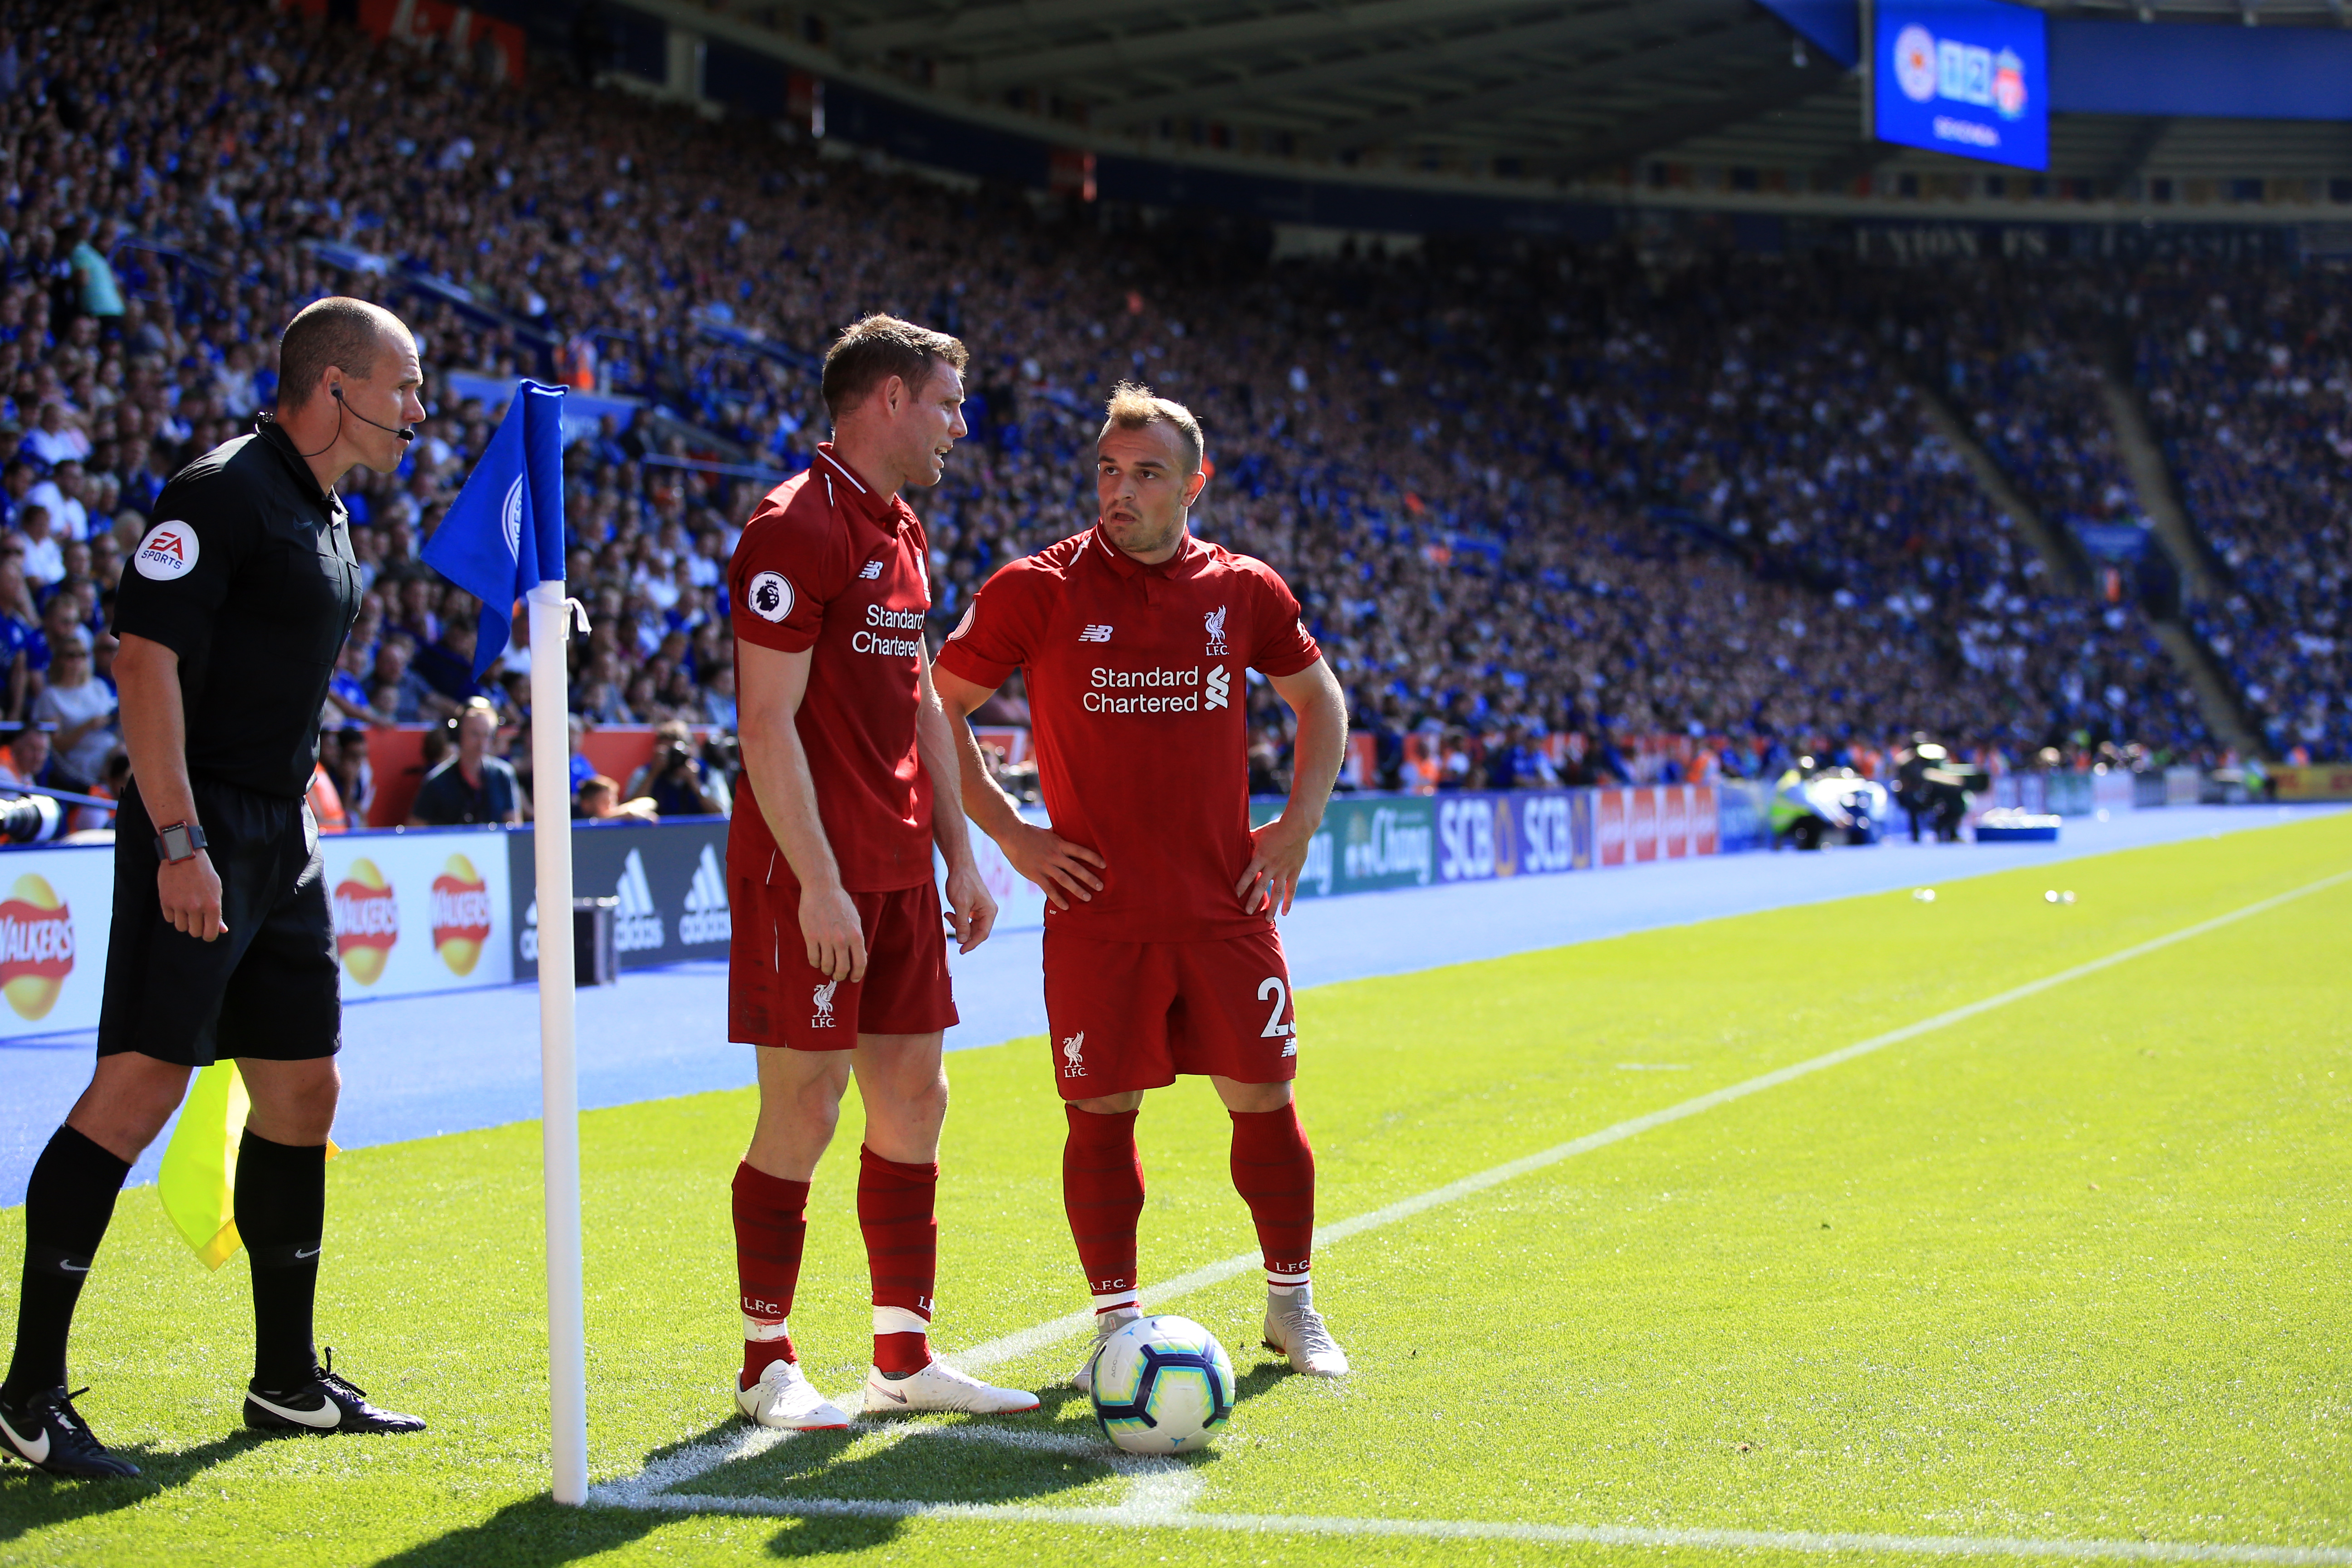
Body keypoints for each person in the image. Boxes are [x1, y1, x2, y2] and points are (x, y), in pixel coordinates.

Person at [0, 297, 429, 1480]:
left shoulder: (327, 510)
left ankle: (285, 1385)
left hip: (279, 835)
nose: (418, 411)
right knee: (136, 1092)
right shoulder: (217, 491)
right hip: (197, 831)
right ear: (336, 387)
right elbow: (143, 666)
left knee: (304, 1093)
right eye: (406, 387)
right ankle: (27, 1400)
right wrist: (180, 839)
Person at [933, 382, 1353, 1387]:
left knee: (1265, 1101)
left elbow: (1320, 699)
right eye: (1107, 472)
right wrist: (1013, 835)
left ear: (1193, 485)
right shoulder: (1038, 587)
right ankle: (1114, 1327)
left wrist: (1296, 828)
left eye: (1146, 474)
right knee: (1101, 1117)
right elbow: (935, 704)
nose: (1119, 492)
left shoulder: (1243, 589)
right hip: (1098, 916)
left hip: (1225, 908)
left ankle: (1292, 1308)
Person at [724, 313, 1028, 1431]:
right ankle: (767, 1360)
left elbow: (922, 705)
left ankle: (902, 1353)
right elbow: (765, 725)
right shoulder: (792, 526)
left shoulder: (900, 530)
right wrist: (815, 879)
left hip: (899, 871)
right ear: (888, 399)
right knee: (804, 1105)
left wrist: (962, 854)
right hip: (808, 874)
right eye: (947, 403)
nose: (959, 426)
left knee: (914, 1096)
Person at [406, 701, 520, 826]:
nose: (482, 743)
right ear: (460, 735)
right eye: (475, 734)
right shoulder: (436, 782)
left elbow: (513, 828)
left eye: (486, 735)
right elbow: (415, 830)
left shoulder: (503, 775)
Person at [29, 629, 116, 789]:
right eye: (71, 656)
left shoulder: (99, 686)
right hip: (77, 760)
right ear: (59, 659)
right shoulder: (51, 696)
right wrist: (87, 727)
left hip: (111, 747)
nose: (77, 661)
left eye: (82, 655)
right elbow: (56, 746)